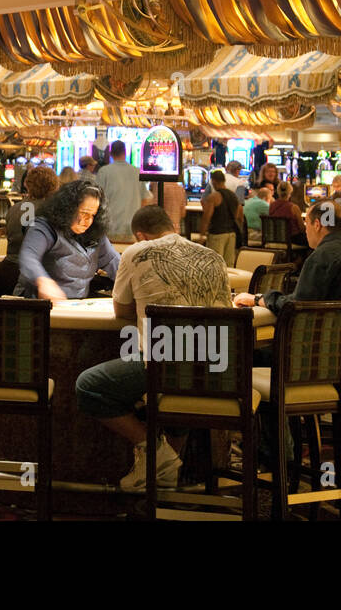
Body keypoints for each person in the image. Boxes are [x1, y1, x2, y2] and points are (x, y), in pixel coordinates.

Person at [75, 205, 230, 491]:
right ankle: (166, 471)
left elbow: (122, 311)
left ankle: (157, 455)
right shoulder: (214, 257)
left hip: (166, 366)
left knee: (89, 386)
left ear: (140, 235)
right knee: (176, 384)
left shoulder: (137, 252)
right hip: (218, 371)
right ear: (173, 227)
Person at [236, 200, 341, 369]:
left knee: (242, 353)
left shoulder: (323, 256)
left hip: (333, 358)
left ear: (317, 224)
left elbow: (297, 307)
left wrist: (259, 299)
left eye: (306, 223)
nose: (305, 229)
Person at [14, 181, 120, 300]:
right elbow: (28, 257)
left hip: (75, 306)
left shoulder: (96, 233)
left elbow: (114, 262)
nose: (88, 220)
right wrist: (43, 281)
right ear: (67, 208)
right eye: (83, 213)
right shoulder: (43, 227)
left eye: (92, 215)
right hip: (38, 304)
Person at [0, 165, 58, 296]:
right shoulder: (52, 211)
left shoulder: (14, 208)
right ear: (53, 186)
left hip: (6, 273)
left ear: (27, 184)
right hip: (30, 278)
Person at [93, 140, 152, 242]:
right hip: (133, 229)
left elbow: (96, 199)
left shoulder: (104, 172)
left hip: (110, 229)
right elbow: (145, 200)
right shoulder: (137, 172)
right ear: (126, 152)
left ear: (111, 154)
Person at [201, 168, 243, 267]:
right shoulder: (233, 196)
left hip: (217, 234)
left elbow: (207, 217)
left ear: (214, 181)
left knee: (215, 264)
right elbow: (238, 215)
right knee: (229, 266)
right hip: (231, 234)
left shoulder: (214, 197)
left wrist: (202, 234)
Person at [267, 181, 307, 246]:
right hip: (292, 239)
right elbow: (302, 229)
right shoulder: (294, 207)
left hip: (276, 238)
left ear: (278, 192)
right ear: (290, 192)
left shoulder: (271, 205)